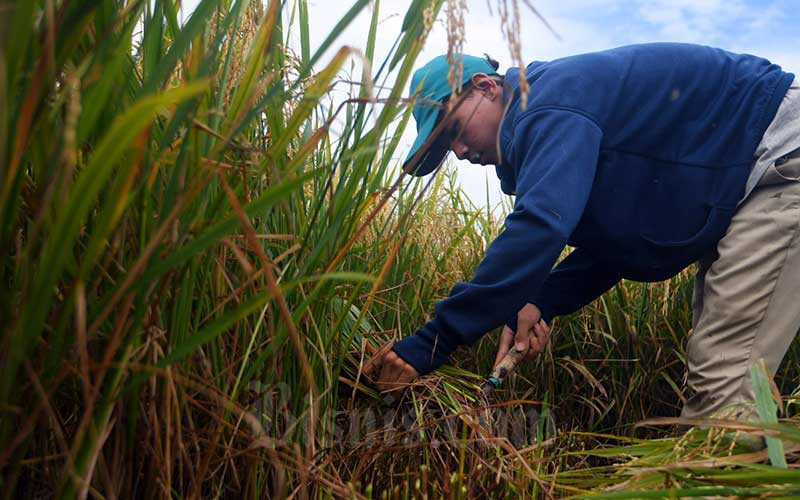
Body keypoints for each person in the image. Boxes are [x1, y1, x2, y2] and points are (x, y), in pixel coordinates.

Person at [373, 43, 800, 421]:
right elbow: (620, 245)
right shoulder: (555, 122)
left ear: (486, 87)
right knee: (721, 370)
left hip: (778, 156)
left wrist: (434, 341)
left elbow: (540, 225)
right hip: (748, 182)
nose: (460, 151)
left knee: (723, 384)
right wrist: (542, 300)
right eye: (448, 147)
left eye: (453, 130)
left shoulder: (550, 101)